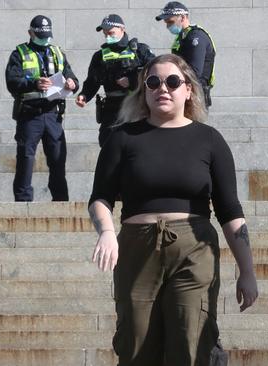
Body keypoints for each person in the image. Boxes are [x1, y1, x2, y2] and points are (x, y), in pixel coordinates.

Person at [88, 54, 258, 365]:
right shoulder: (123, 138)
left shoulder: (209, 140)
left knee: (191, 340)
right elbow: (100, 197)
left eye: (172, 81)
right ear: (143, 91)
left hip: (193, 250)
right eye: (152, 82)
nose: (162, 88)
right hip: (137, 249)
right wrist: (107, 231)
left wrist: (247, 272)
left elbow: (230, 211)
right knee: (135, 343)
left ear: (189, 89)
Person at [5, 15, 79, 202]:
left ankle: (61, 200)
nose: (45, 39)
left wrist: (72, 83)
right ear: (31, 33)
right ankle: (23, 200)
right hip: (30, 115)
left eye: (47, 35)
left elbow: (72, 77)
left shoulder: (57, 52)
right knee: (26, 158)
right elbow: (12, 81)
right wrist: (34, 83)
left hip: (53, 114)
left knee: (57, 159)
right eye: (40, 35)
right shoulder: (19, 53)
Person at [76, 14, 154, 147]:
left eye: (111, 32)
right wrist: (84, 95)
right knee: (107, 144)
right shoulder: (100, 55)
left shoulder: (140, 50)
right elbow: (92, 81)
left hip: (136, 106)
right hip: (111, 108)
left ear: (122, 29)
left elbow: (154, 74)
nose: (107, 36)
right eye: (105, 33)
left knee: (136, 144)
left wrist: (132, 80)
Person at [156, 1, 216, 107]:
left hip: (195, 95)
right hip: (185, 92)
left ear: (183, 18)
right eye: (166, 23)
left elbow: (194, 72)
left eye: (170, 22)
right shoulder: (183, 36)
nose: (168, 26)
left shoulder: (196, 37)